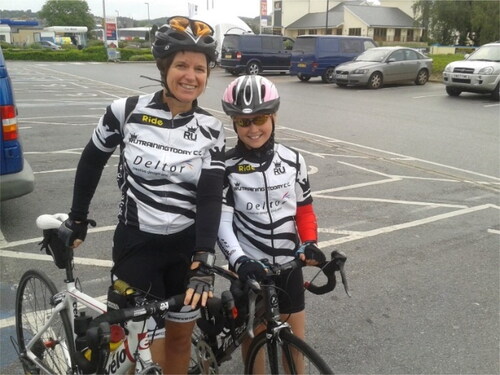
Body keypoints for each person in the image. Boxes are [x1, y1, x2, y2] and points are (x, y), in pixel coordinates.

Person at [58, 16, 225, 374]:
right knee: (131, 347)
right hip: (137, 246)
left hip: (185, 250)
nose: (190, 76)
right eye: (181, 65)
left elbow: (211, 196)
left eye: (199, 68)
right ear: (164, 67)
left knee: (179, 340)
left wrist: (205, 257)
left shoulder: (211, 128)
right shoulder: (126, 111)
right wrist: (77, 217)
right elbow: (92, 160)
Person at [218, 75, 325, 369]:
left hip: (289, 268)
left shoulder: (293, 160)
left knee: (294, 350)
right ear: (234, 123)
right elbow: (223, 222)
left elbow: (303, 210)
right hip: (249, 268)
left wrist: (310, 243)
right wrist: (239, 260)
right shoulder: (225, 166)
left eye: (261, 118)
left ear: (274, 115)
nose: (253, 129)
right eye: (243, 122)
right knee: (254, 350)